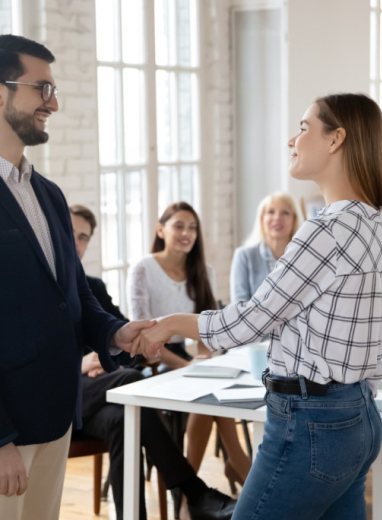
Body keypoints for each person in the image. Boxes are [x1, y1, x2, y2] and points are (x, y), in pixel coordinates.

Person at [133, 93, 382, 520]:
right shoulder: (377, 224)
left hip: (312, 423)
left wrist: (170, 324)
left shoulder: (325, 231)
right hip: (359, 418)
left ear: (336, 141)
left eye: (304, 128)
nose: (292, 140)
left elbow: (251, 320)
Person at [0, 34, 159, 520]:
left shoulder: (47, 194)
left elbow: (71, 299)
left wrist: (116, 331)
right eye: (41, 88)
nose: (54, 102)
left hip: (55, 415)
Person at [69, 205, 237, 520]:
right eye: (70, 233)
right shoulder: (39, 289)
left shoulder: (92, 288)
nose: (76, 243)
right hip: (61, 393)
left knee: (124, 418)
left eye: (83, 237)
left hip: (96, 393)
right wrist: (83, 364)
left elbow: (124, 339)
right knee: (132, 384)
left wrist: (108, 360)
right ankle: (195, 491)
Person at [127, 202, 251, 487]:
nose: (187, 233)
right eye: (179, 226)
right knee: (209, 392)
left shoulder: (203, 270)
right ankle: (237, 464)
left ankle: (189, 491)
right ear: (161, 230)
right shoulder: (143, 269)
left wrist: (204, 362)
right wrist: (186, 365)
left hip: (193, 360)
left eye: (193, 227)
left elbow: (208, 331)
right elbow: (143, 339)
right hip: (154, 362)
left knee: (212, 389)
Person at [230, 192, 299, 302]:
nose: (277, 218)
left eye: (285, 212)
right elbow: (239, 305)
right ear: (262, 219)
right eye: (271, 212)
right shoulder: (244, 256)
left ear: (294, 220)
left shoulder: (302, 257)